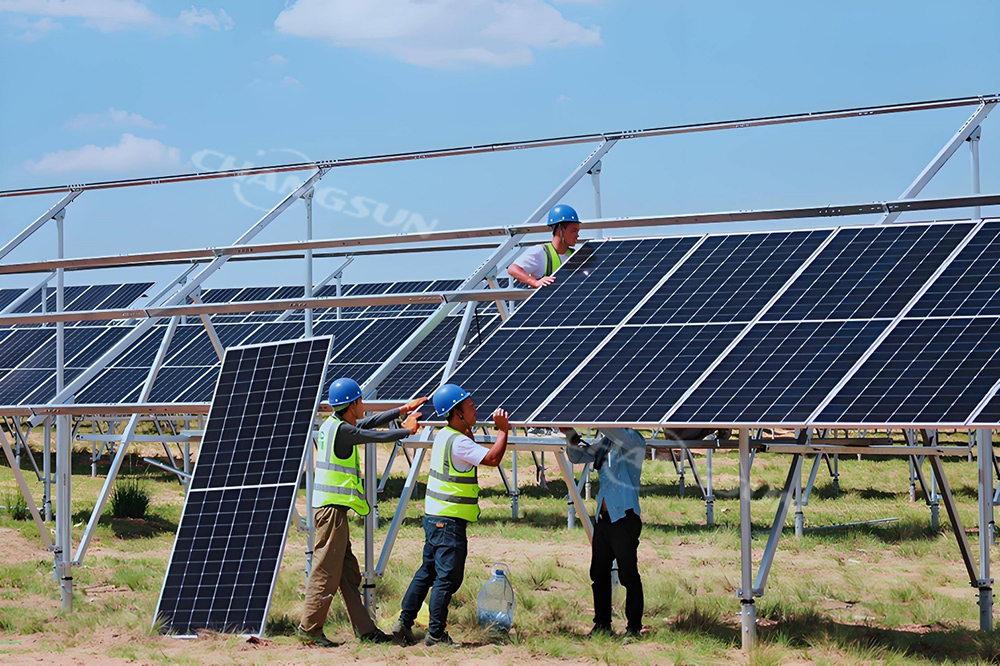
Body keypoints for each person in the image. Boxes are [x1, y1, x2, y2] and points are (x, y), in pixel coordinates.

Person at [298, 377, 428, 647]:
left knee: (347, 574)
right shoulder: (344, 431)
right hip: (332, 512)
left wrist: (402, 410)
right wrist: (406, 431)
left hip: (332, 510)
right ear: (352, 403)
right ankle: (309, 629)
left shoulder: (334, 425)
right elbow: (371, 435)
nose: (363, 406)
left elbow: (367, 425)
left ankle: (366, 630)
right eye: (360, 401)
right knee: (325, 571)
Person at [393, 384, 510, 647]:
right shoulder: (459, 442)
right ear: (457, 413)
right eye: (469, 407)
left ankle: (404, 623)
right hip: (448, 522)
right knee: (447, 578)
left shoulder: (445, 435)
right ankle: (436, 634)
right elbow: (492, 459)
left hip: (435, 518)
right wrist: (503, 430)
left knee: (427, 572)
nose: (475, 410)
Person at [565, 427, 646, 638]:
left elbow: (616, 433)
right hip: (604, 520)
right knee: (598, 574)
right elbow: (576, 456)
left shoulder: (634, 439)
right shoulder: (605, 442)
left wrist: (597, 419)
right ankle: (602, 625)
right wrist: (569, 434)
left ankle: (634, 628)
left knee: (628, 575)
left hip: (624, 518)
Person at [508, 203, 581, 288]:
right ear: (561, 229)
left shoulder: (574, 255)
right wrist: (535, 282)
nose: (577, 235)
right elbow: (513, 269)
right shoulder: (541, 252)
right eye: (574, 230)